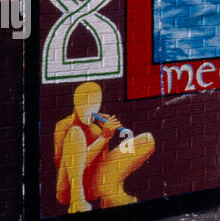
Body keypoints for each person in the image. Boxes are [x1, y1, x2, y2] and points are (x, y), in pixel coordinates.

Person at [53, 82, 154, 213]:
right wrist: (103, 138)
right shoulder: (64, 125)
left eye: (96, 103)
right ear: (77, 103)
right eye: (88, 103)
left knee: (146, 139)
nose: (93, 108)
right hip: (70, 188)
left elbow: (103, 165)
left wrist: (111, 135)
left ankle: (112, 192)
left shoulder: (96, 129)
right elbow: (68, 167)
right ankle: (78, 201)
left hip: (94, 184)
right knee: (75, 132)